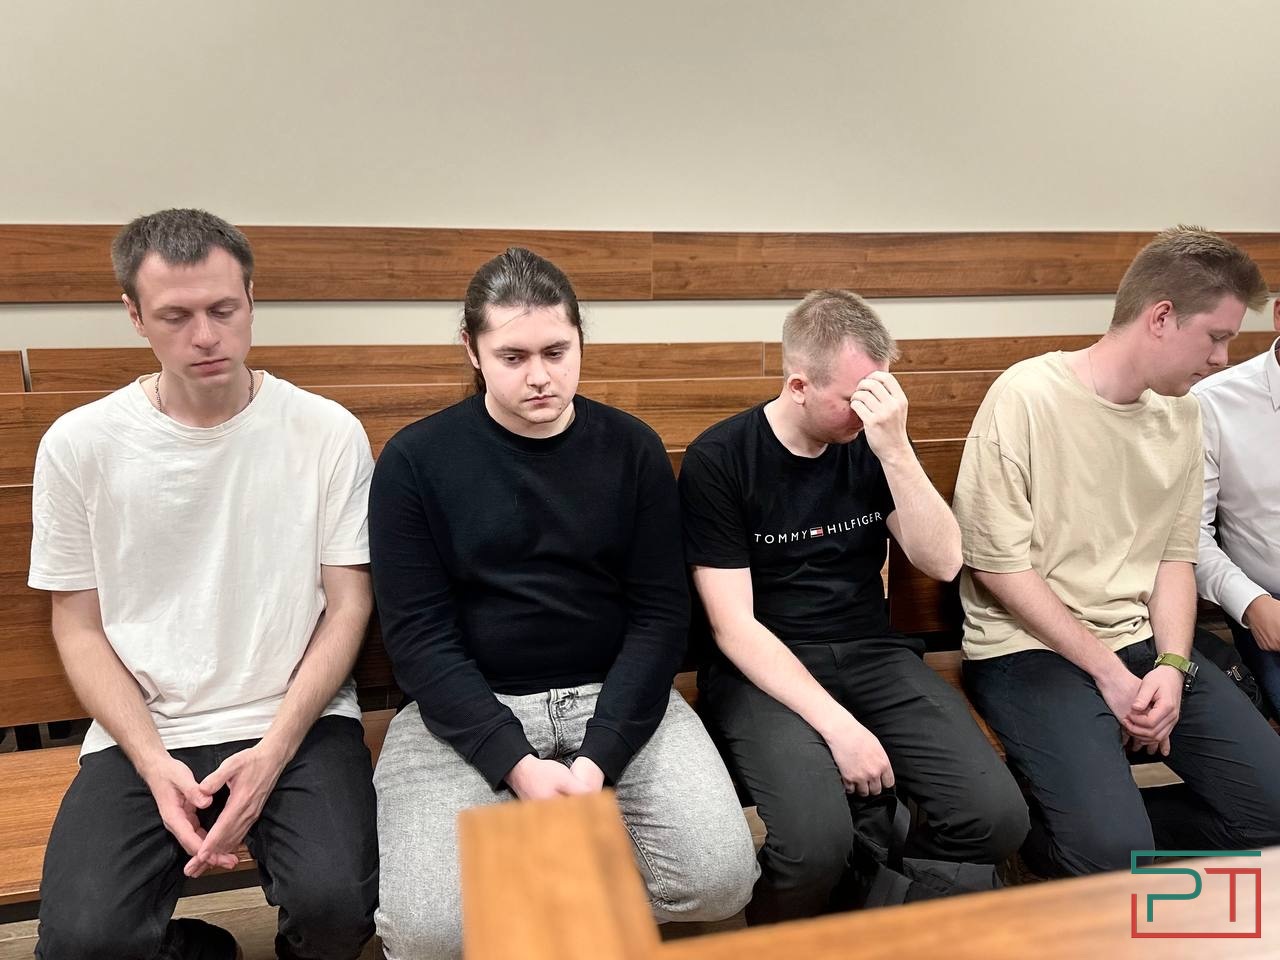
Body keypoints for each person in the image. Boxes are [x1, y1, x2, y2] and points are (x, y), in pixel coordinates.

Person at [369, 246, 757, 960]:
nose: (540, 376)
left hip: (616, 692)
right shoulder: (415, 460)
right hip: (468, 705)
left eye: (556, 351)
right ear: (472, 350)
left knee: (721, 881)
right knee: (429, 937)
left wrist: (598, 759)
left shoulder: (632, 448)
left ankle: (548, 899)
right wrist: (515, 763)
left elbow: (660, 616)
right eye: (513, 356)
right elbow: (419, 638)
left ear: (581, 341)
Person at [29, 209, 379, 960]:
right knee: (83, 944)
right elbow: (77, 626)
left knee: (336, 907)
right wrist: (153, 762)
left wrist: (274, 751)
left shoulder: (326, 432)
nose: (206, 336)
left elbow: (349, 605)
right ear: (134, 316)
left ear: (251, 298)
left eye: (224, 309)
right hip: (146, 728)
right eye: (176, 316)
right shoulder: (79, 445)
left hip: (298, 718)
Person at [679, 289, 1027, 924]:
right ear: (799, 386)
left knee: (996, 817)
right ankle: (784, 934)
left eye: (882, 393)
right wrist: (842, 730)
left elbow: (943, 561)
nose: (870, 413)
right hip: (763, 667)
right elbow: (733, 627)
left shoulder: (873, 443)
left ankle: (887, 901)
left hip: (871, 653)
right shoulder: (722, 459)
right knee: (816, 845)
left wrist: (896, 450)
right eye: (855, 399)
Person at [954, 226, 1280, 878]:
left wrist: (1172, 665)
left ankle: (1084, 846)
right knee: (1110, 851)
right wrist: (1109, 673)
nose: (1222, 359)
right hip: (1027, 651)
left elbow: (1175, 558)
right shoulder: (1028, 395)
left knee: (1271, 813)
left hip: (1142, 643)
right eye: (1215, 337)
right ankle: (1076, 849)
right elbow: (997, 566)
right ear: (1161, 317)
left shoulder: (1182, 414)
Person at [1193, 296, 1280, 717]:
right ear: (1279, 315)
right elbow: (1189, 533)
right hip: (1270, 603)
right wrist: (1251, 603)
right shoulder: (1213, 403)